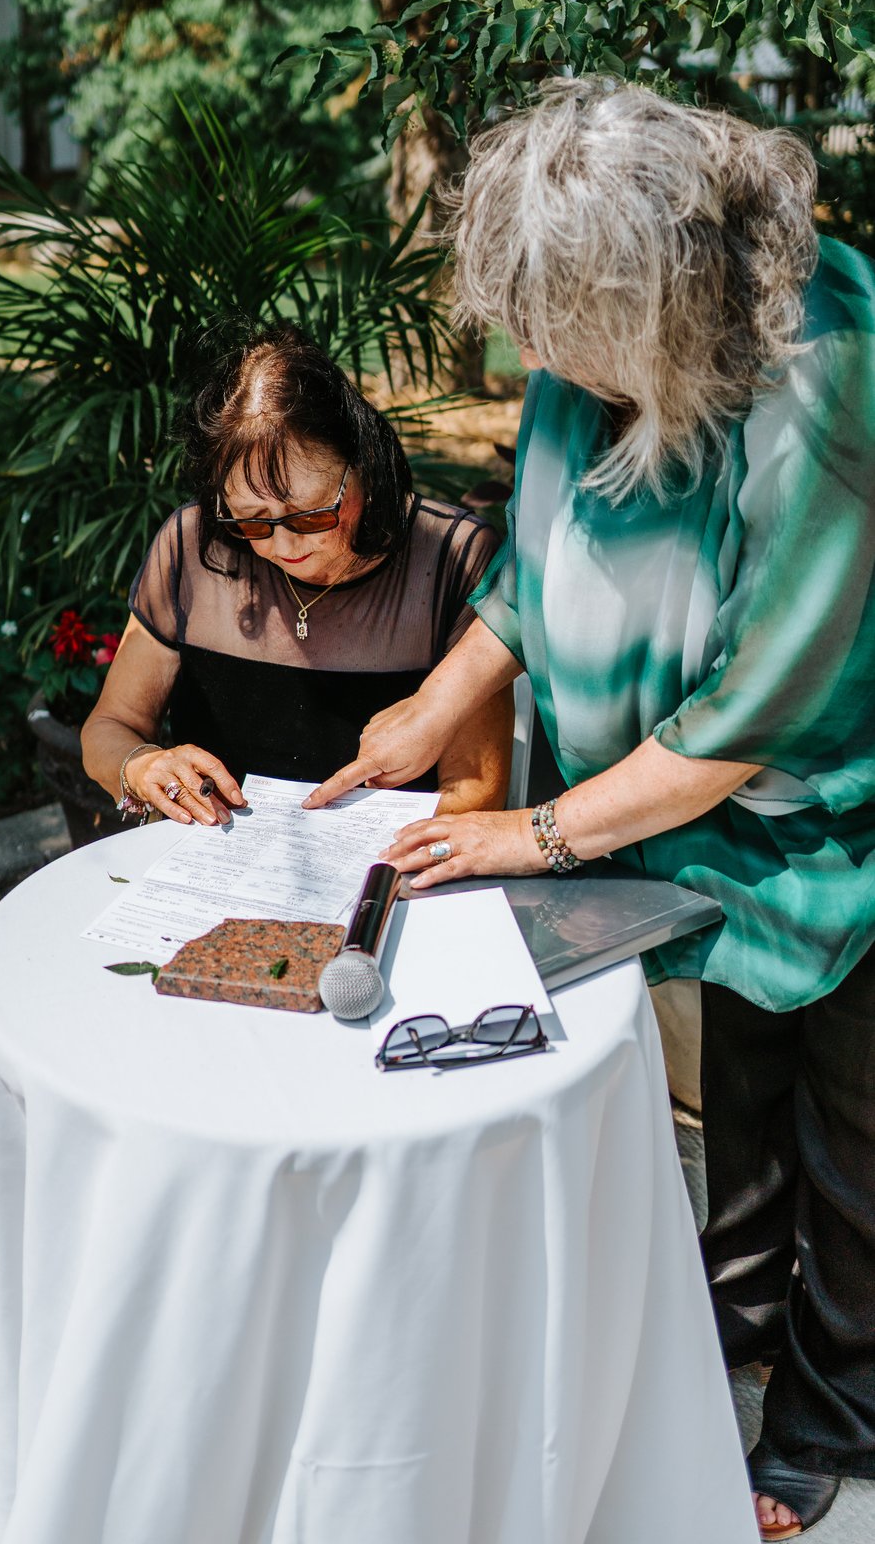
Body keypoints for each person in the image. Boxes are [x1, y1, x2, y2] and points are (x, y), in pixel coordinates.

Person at [306, 79, 875, 1541]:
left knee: (856, 1140)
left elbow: (761, 704)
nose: (525, 354)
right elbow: (533, 565)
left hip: (837, 813)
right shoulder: (595, 336)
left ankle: (833, 1408)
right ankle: (734, 1320)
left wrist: (535, 835)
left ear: (655, 303)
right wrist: (431, 711)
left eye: (551, 326)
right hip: (691, 814)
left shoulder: (830, 375)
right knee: (741, 1093)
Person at [81, 326, 514, 826]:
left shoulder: (451, 559)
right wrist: (143, 764)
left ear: (364, 466)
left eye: (310, 516)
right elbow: (109, 727)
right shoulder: (191, 543)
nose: (282, 547)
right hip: (211, 871)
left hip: (390, 878)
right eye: (252, 520)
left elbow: (476, 794)